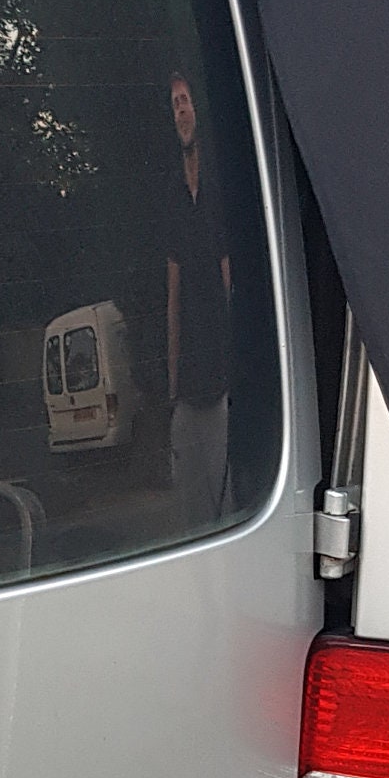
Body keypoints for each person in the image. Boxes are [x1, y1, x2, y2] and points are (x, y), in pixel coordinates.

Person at [163, 72, 234, 519]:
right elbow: (172, 297)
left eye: (186, 100)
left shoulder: (221, 192)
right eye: (174, 104)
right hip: (188, 389)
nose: (182, 110)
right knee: (191, 512)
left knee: (226, 505)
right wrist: (171, 382)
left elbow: (231, 284)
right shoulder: (173, 199)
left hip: (223, 384)